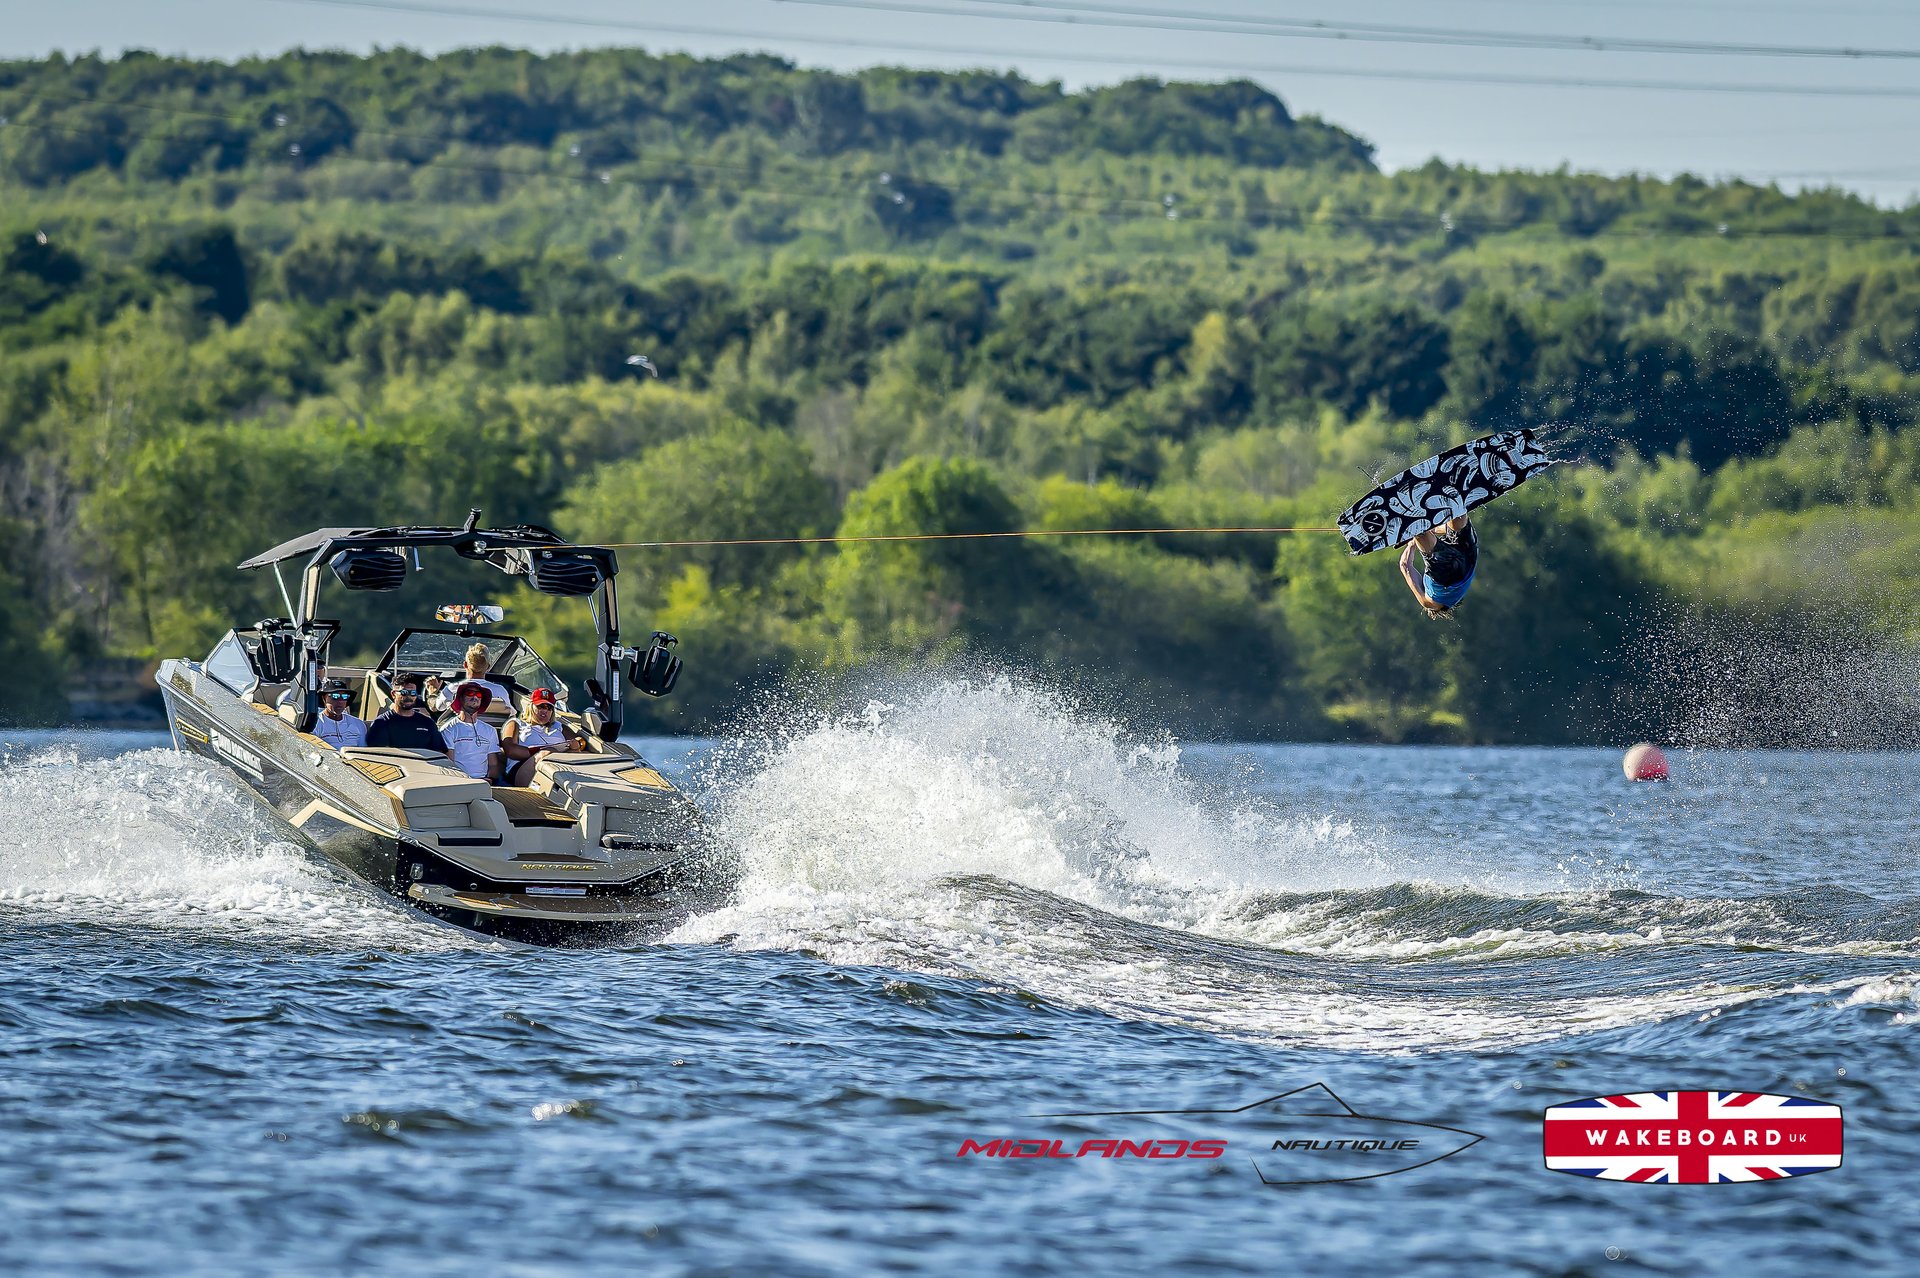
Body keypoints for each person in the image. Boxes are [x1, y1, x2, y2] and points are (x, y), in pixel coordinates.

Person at [500, 687, 587, 787]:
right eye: (540, 706)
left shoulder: (559, 727)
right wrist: (542, 751)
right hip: (523, 767)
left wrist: (576, 745)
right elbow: (511, 750)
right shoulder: (516, 724)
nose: (544, 711)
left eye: (549, 708)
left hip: (559, 764)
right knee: (546, 753)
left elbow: (579, 741)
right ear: (531, 706)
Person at [1398, 514, 1477, 619]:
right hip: (1447, 574)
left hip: (1469, 558)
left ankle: (1457, 510)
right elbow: (1405, 565)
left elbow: (1442, 529)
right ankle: (1413, 522)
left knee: (1457, 520)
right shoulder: (1428, 603)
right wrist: (1411, 544)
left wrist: (1434, 528)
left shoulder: (1456, 595)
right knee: (1418, 529)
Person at [365, 672, 450, 755]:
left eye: (413, 693)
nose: (409, 697)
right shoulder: (382, 723)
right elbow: (378, 756)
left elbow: (440, 753)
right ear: (393, 694)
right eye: (404, 693)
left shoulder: (428, 723)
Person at [440, 681, 503, 782]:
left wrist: (490, 780)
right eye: (469, 693)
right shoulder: (448, 729)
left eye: (478, 694)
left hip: (484, 782)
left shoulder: (490, 730)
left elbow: (493, 764)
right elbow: (449, 764)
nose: (475, 697)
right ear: (460, 698)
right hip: (459, 782)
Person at [431, 643, 512, 711]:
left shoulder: (452, 689)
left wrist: (433, 693)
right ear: (488, 667)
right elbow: (510, 713)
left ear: (465, 665)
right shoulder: (500, 691)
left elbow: (436, 707)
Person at [312, 677, 367, 749]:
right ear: (324, 698)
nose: (340, 701)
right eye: (335, 696)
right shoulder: (315, 724)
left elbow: (363, 751)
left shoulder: (358, 724)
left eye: (344, 697)